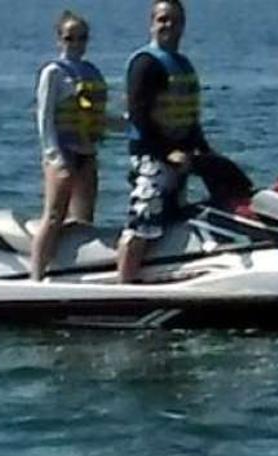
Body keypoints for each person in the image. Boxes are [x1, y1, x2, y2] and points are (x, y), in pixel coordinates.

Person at [116, 0, 209, 284]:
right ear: (152, 23)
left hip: (179, 159)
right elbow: (140, 118)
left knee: (170, 221)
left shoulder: (182, 65)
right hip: (151, 159)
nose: (169, 26)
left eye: (175, 20)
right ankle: (123, 287)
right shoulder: (145, 63)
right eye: (162, 20)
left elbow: (190, 119)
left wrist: (205, 154)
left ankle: (158, 277)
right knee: (142, 223)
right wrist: (168, 153)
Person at [29, 10, 107, 281]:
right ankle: (36, 276)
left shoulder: (91, 72)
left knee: (83, 221)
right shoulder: (53, 73)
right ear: (60, 39)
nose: (76, 43)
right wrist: (54, 157)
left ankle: (73, 272)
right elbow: (44, 118)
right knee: (53, 217)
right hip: (62, 154)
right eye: (69, 38)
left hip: (86, 154)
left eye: (81, 38)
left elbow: (99, 116)